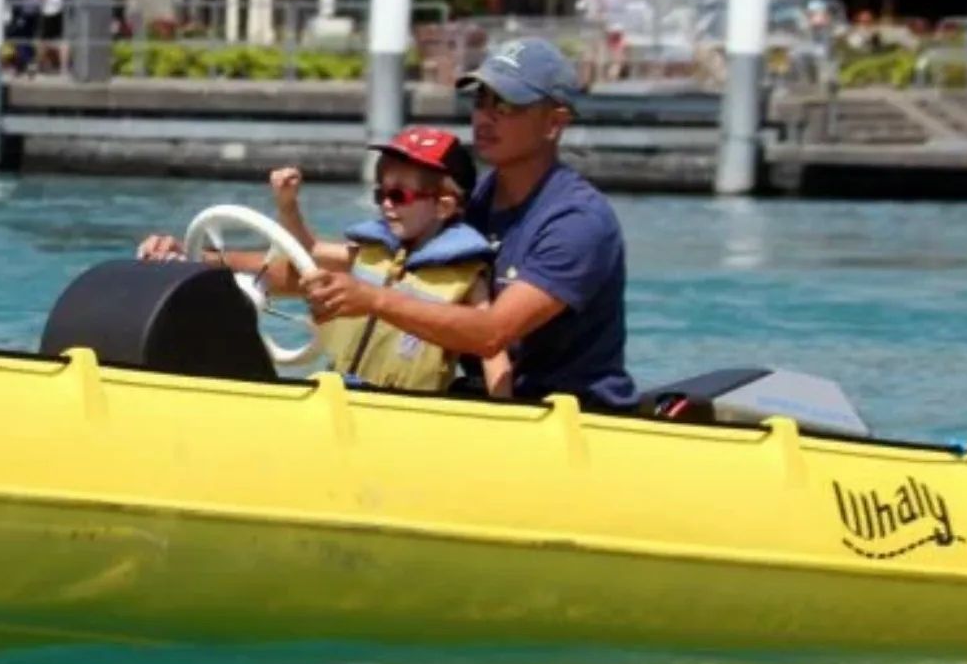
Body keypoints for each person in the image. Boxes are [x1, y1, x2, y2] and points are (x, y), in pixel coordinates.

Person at [304, 38, 636, 412]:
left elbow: (493, 333)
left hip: (572, 416)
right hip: (480, 404)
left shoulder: (578, 223)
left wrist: (373, 300)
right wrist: (232, 264)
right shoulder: (474, 203)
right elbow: (371, 266)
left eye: (506, 105)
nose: (485, 117)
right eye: (481, 101)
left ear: (554, 123)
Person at [138, 128, 510, 399]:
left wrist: (505, 412)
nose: (387, 204)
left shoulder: (466, 275)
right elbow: (304, 250)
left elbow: (490, 346)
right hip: (338, 393)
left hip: (409, 409)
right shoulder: (365, 254)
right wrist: (287, 207)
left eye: (400, 195)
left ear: (444, 206)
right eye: (382, 193)